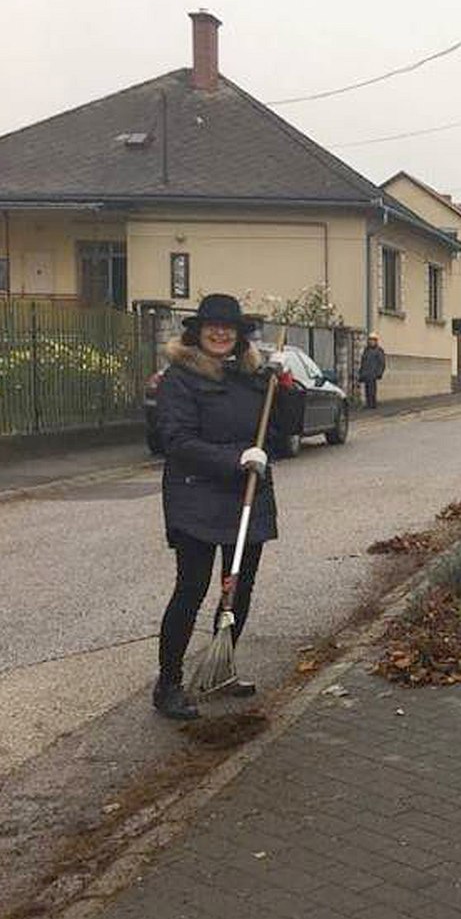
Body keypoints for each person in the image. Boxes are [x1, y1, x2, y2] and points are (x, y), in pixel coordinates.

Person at [152, 293, 304, 720]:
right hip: (196, 497)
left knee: (238, 590)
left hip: (247, 497)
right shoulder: (178, 380)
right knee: (192, 589)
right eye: (212, 327)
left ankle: (221, 668)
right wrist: (233, 459)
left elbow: (283, 431)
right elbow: (176, 441)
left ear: (239, 335)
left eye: (229, 328)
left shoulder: (253, 378)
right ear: (198, 333)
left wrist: (285, 386)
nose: (220, 333)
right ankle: (168, 684)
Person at [358, 332, 386, 409]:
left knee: (372, 390)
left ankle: (372, 404)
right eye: (370, 340)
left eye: (373, 340)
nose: (371, 342)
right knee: (367, 389)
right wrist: (361, 372)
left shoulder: (379, 351)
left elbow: (381, 363)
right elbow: (363, 362)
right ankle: (368, 403)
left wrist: (379, 373)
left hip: (373, 374)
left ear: (376, 341)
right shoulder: (366, 350)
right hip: (366, 373)